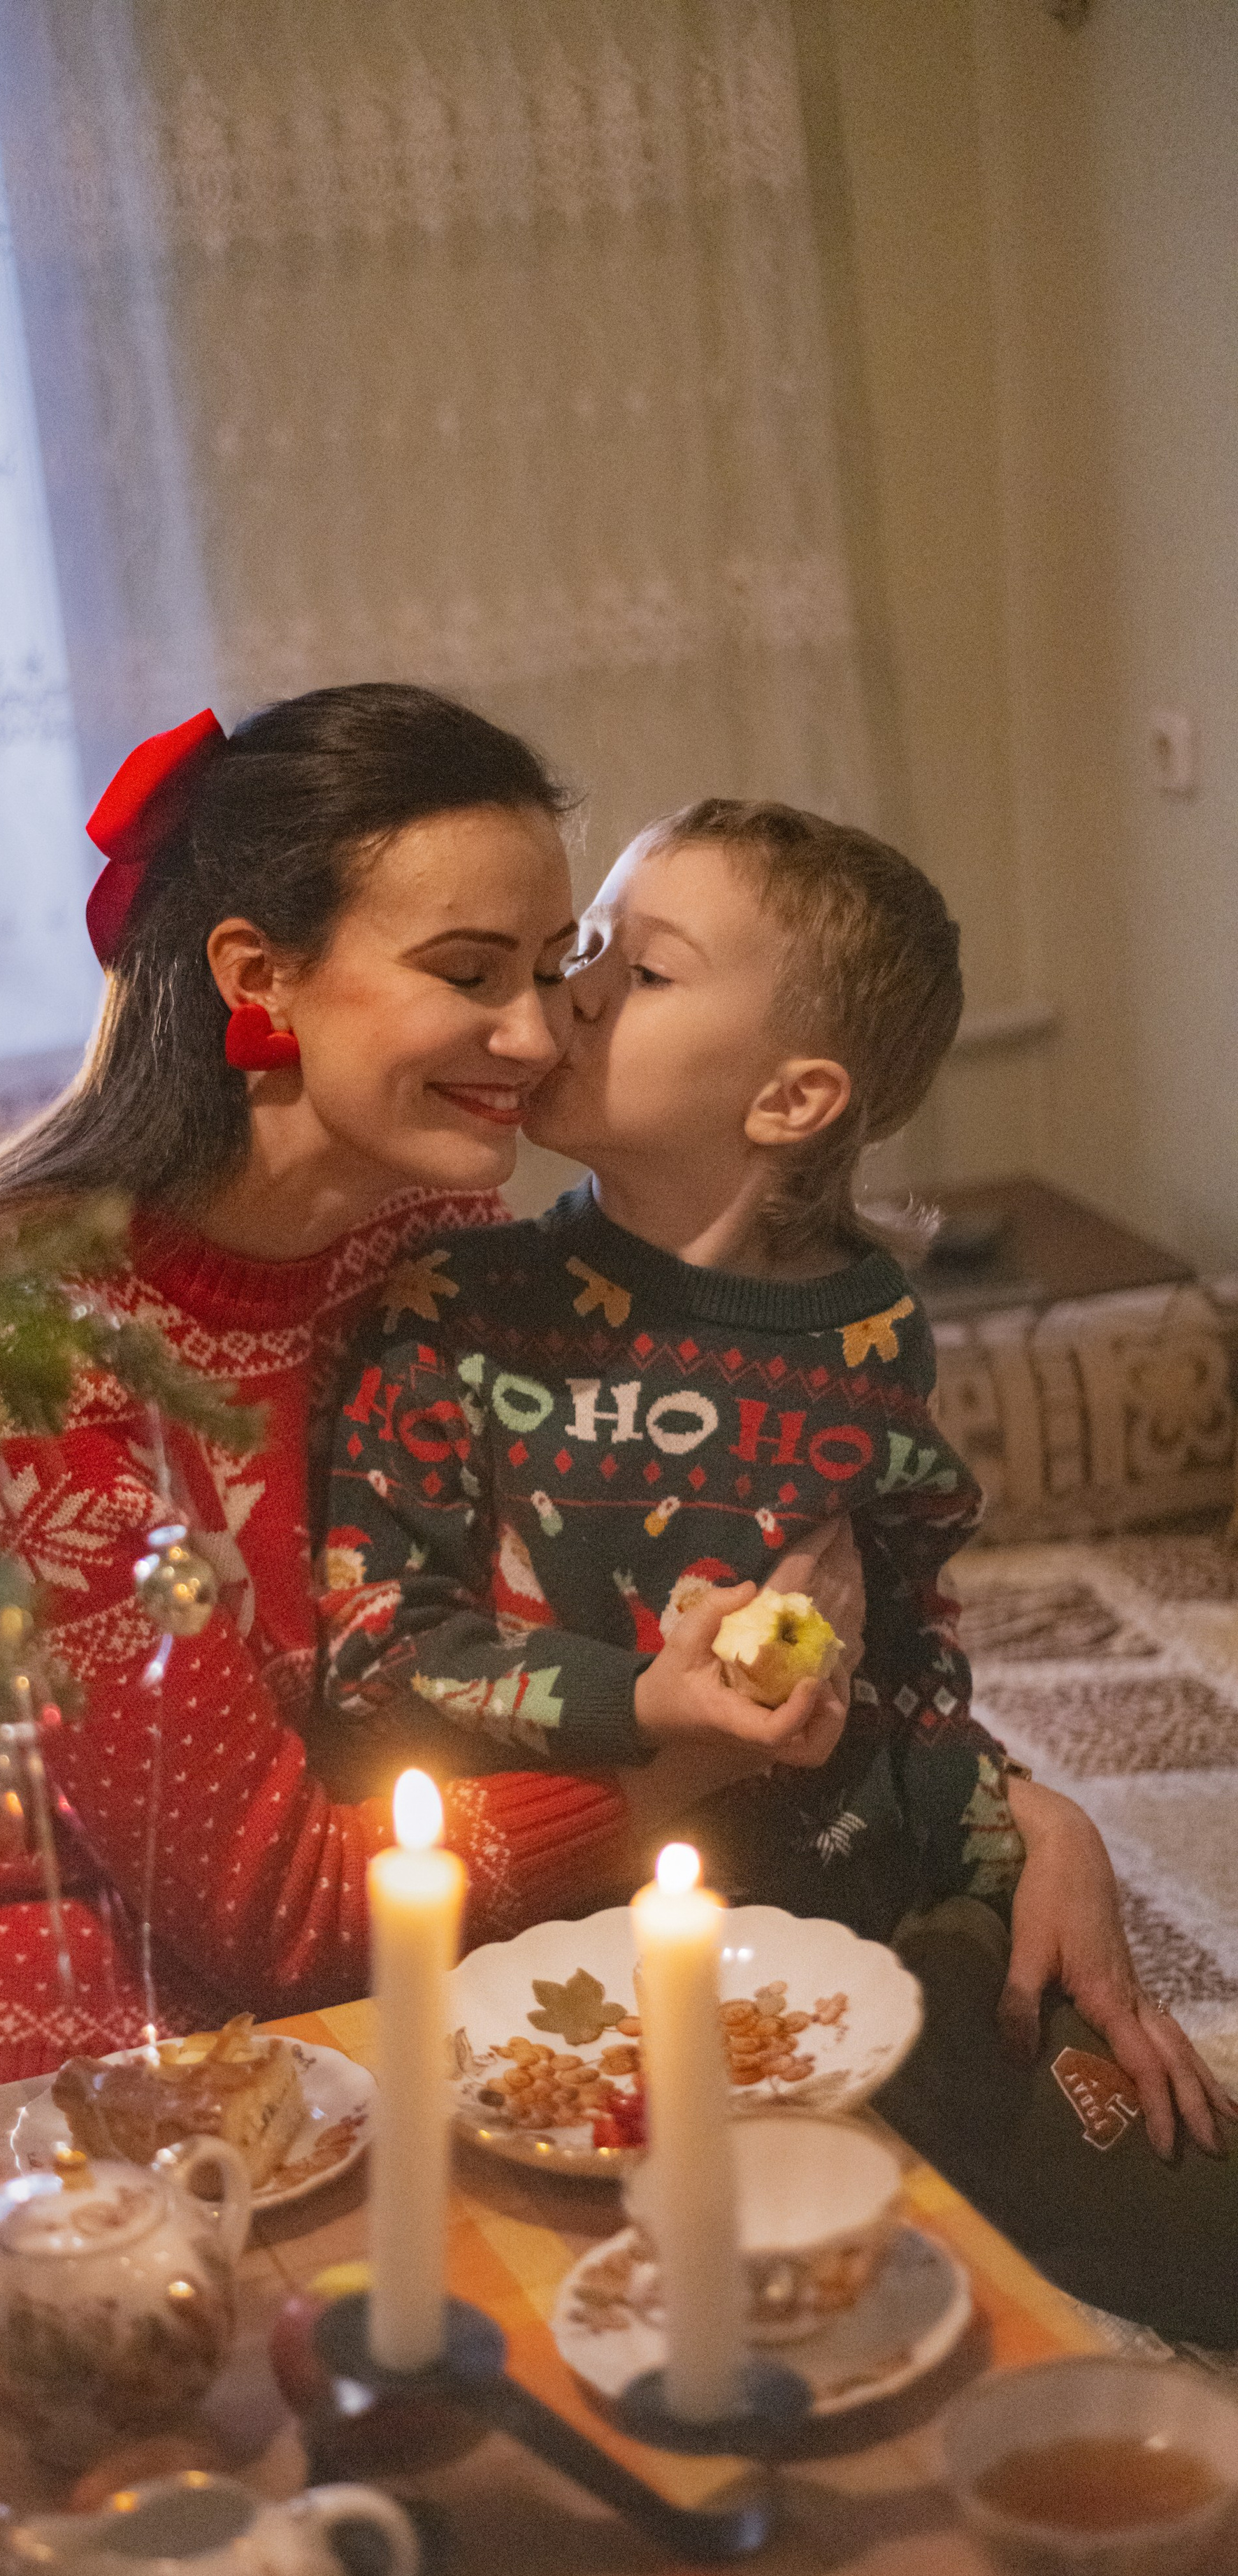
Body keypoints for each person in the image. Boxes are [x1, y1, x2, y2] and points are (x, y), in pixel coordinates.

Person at [0, 694, 851, 2100]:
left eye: (549, 970)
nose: (534, 1037)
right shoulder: (19, 1364)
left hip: (341, 1949)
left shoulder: (425, 1233)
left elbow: (566, 1624)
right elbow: (285, 1919)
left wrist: (1008, 1808)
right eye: (470, 973)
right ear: (257, 976)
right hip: (17, 2036)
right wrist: (675, 1769)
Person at [319, 797, 1238, 2345]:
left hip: (871, 1904)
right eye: (586, 945)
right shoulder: (454, 1301)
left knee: (1179, 2196)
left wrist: (1021, 1831)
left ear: (792, 1097)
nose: (567, 987)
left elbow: (906, 1650)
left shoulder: (868, 1329)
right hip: (577, 1943)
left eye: (641, 969)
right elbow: (379, 1643)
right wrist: (649, 1701)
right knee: (687, 2311)